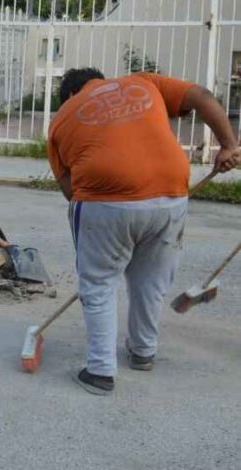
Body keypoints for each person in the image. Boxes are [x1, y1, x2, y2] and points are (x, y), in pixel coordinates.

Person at [48, 68, 240, 396]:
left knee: (99, 282)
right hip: (170, 194)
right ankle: (142, 352)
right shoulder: (142, 82)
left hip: (104, 200)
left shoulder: (62, 118)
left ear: (69, 94)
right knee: (150, 280)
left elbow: (71, 191)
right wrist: (228, 145)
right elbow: (201, 96)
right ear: (104, 80)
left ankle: (100, 372)